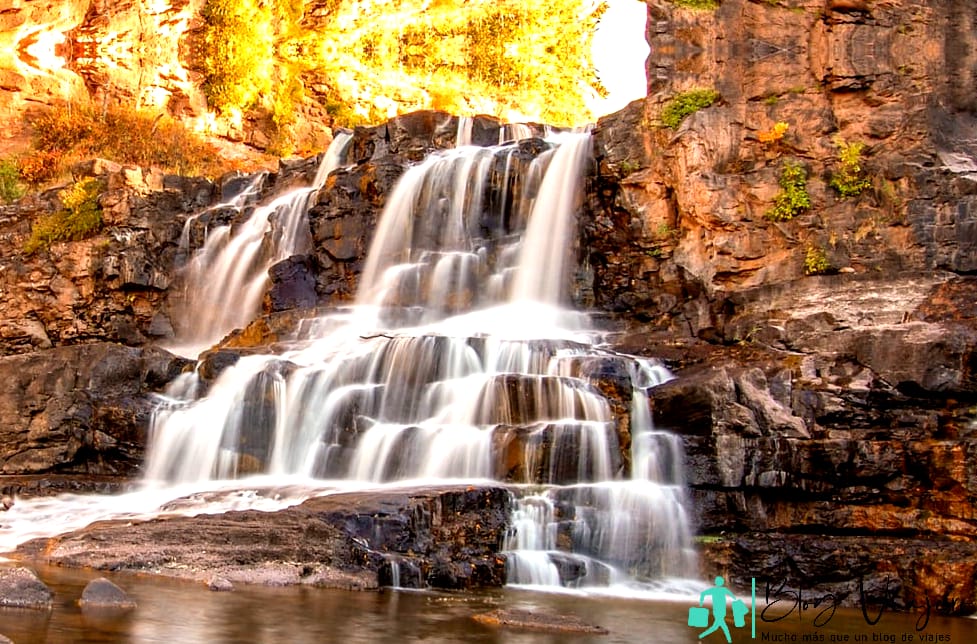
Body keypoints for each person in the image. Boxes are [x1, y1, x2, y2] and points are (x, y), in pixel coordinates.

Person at [697, 576, 737, 642]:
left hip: (717, 611)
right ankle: (729, 640)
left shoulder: (714, 590)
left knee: (716, 627)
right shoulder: (724, 590)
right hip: (721, 611)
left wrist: (701, 603)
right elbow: (733, 596)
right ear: (722, 583)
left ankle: (701, 636)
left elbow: (703, 594)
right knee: (722, 626)